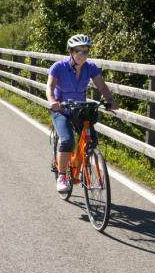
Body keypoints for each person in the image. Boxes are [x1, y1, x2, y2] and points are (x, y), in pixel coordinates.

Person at [46, 34, 119, 193]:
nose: (82, 55)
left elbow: (102, 86)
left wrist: (110, 100)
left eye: (85, 51)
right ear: (70, 52)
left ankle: (84, 163)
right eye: (79, 51)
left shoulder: (90, 67)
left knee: (91, 139)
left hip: (79, 108)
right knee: (67, 140)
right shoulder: (58, 67)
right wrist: (52, 101)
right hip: (62, 109)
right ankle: (62, 175)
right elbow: (50, 88)